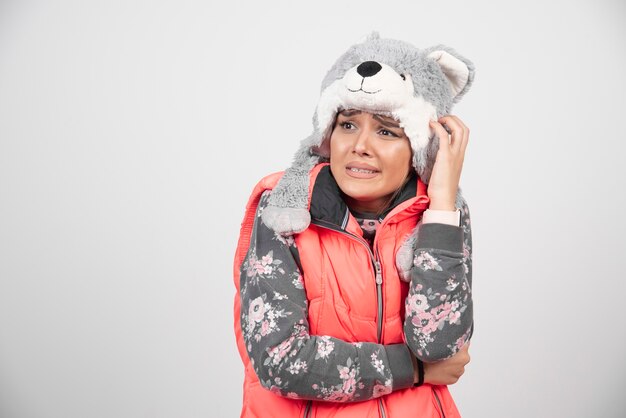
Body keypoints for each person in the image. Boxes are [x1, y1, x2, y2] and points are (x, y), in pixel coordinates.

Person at [233, 34, 474, 418]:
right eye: (347, 125)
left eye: (386, 130)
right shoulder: (283, 211)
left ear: (421, 145)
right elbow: (281, 362)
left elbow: (440, 347)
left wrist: (443, 203)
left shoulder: (439, 215)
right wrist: (415, 370)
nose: (360, 145)